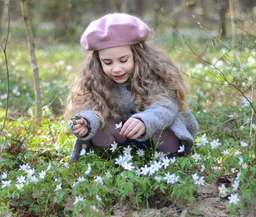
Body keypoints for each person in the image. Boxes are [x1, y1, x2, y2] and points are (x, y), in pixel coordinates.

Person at [65, 13, 198, 162]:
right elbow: (90, 107)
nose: (116, 69)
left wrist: (144, 121)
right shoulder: (96, 80)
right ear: (98, 62)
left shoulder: (154, 73)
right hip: (122, 137)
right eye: (108, 63)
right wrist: (86, 122)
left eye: (123, 60)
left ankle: (170, 159)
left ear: (138, 55)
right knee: (99, 130)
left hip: (155, 133)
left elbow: (166, 106)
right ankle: (114, 159)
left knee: (167, 130)